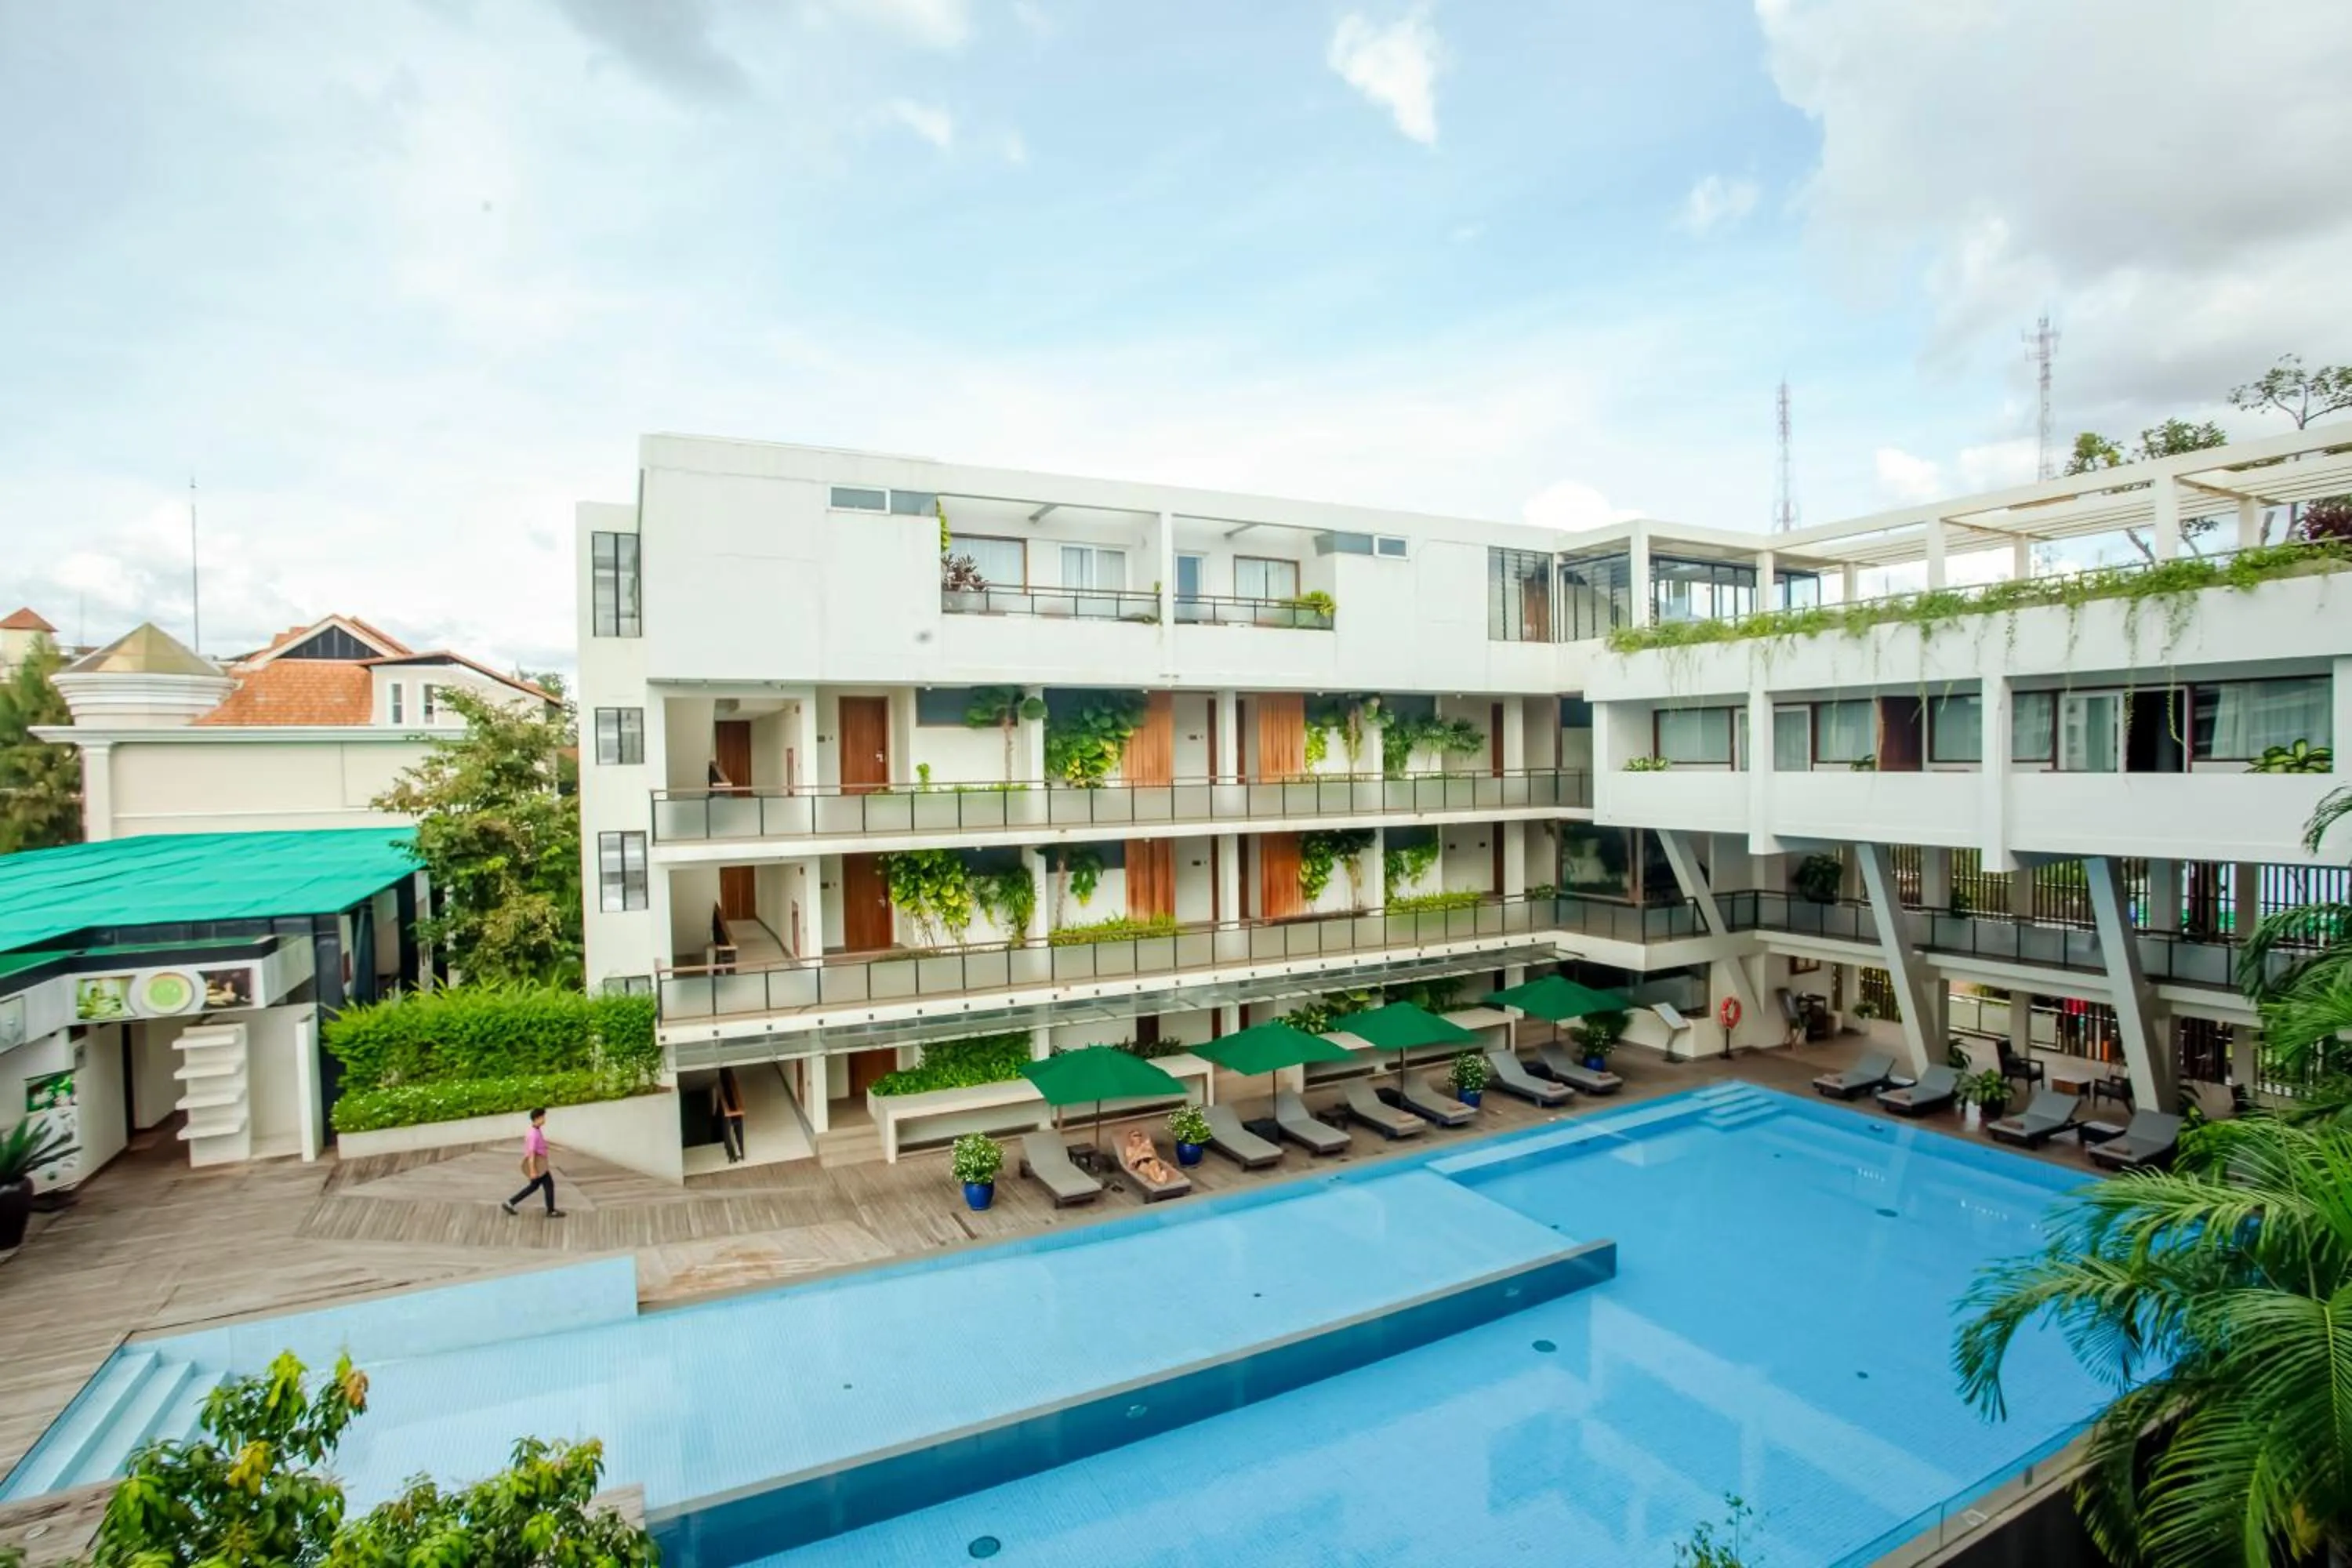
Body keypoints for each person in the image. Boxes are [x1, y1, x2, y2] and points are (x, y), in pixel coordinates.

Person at [503, 1108, 564, 1218]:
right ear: (537, 1118)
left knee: (534, 1187)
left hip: (541, 1165)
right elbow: (531, 1154)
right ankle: (551, 1211)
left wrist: (555, 1149)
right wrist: (533, 1171)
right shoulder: (533, 1135)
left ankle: (510, 1203)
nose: (545, 1119)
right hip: (538, 1166)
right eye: (543, 1117)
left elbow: (542, 1145)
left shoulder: (535, 1130)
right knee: (548, 1185)